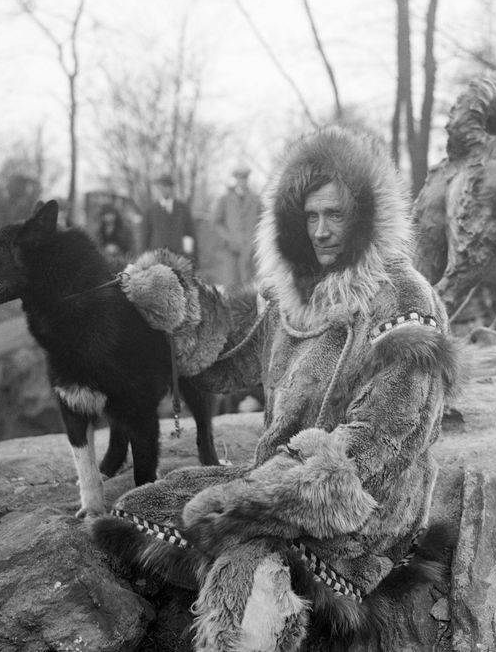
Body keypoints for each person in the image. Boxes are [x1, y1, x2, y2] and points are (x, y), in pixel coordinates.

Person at [93, 127, 457, 648]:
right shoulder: (288, 296)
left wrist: (258, 502)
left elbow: (385, 440)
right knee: (142, 507)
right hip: (273, 483)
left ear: (365, 214)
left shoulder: (403, 298)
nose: (322, 231)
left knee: (242, 573)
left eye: (335, 214)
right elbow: (220, 363)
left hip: (361, 514)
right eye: (310, 216)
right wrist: (173, 307)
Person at [213, 163, 259, 288]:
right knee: (231, 286)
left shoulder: (256, 199)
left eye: (245, 178)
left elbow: (262, 223)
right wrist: (228, 238)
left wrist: (254, 242)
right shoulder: (225, 199)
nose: (242, 181)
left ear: (248, 179)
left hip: (250, 251)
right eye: (240, 178)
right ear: (236, 179)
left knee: (249, 286)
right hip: (231, 250)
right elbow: (217, 222)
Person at [141, 173, 198, 266]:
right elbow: (145, 237)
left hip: (179, 258)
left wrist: (191, 257)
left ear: (172, 188)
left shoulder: (183, 209)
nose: (164, 190)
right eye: (161, 187)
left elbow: (190, 234)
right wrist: (143, 259)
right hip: (156, 259)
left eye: (167, 186)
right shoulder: (150, 210)